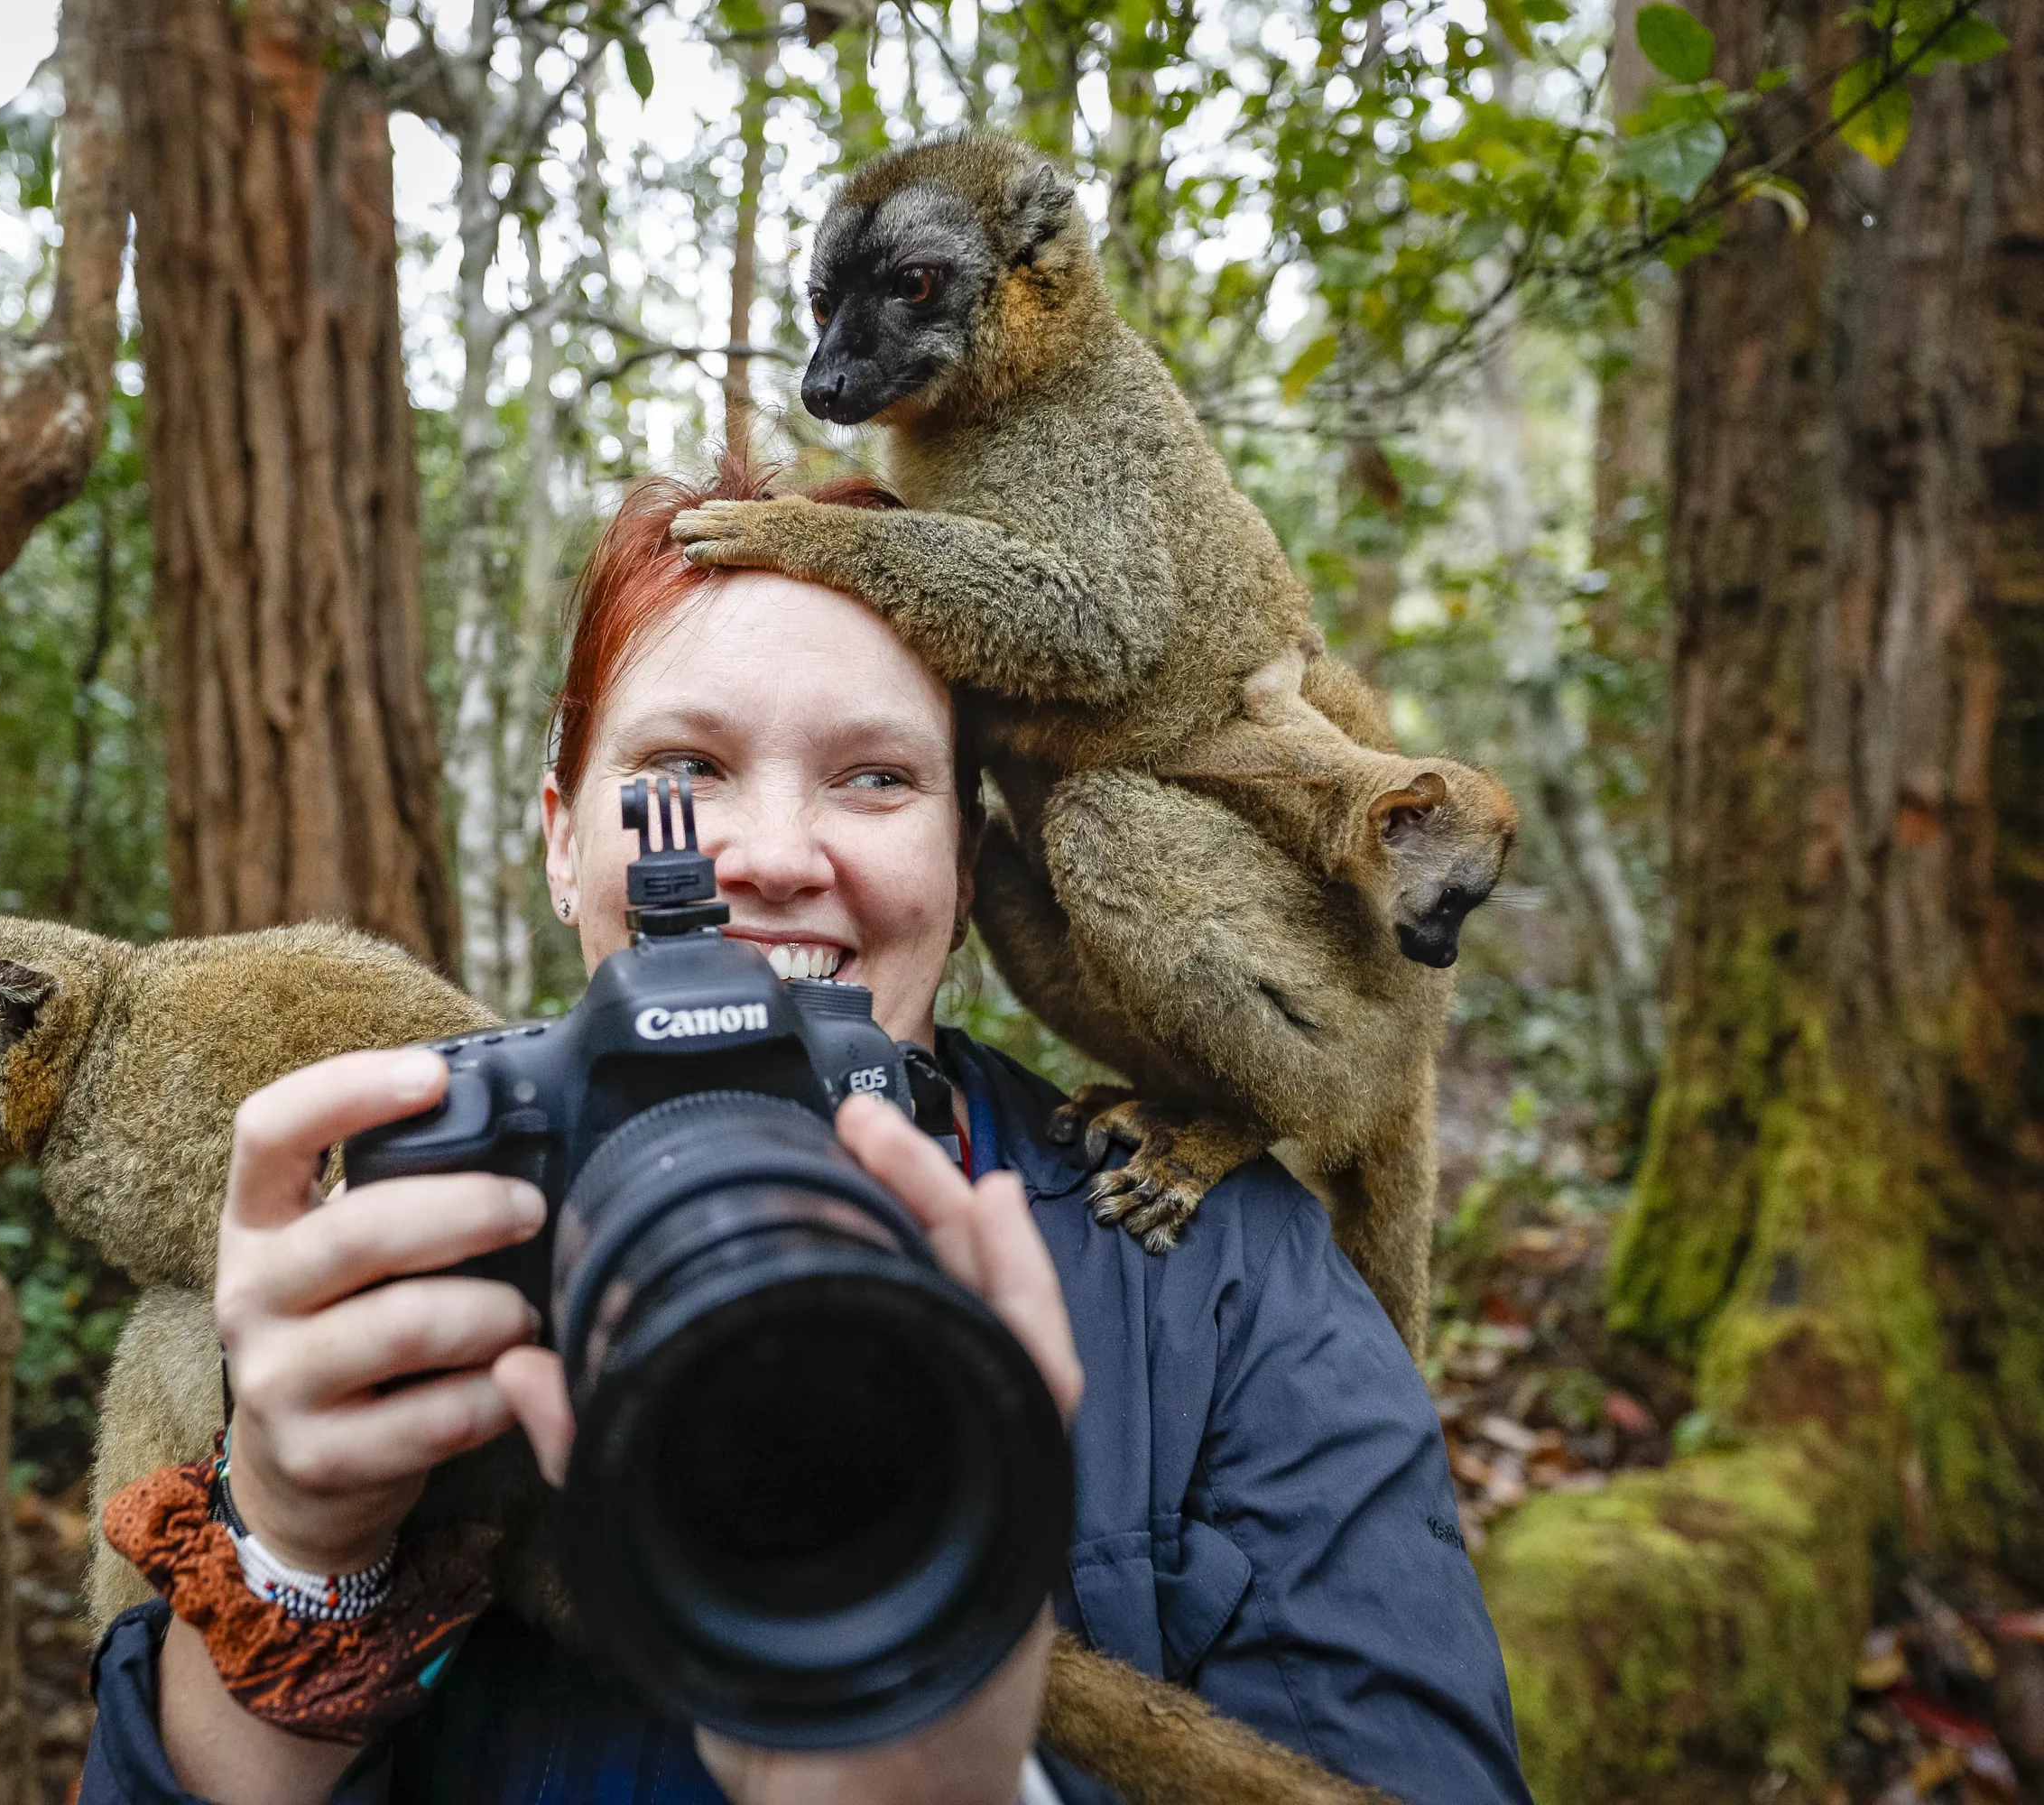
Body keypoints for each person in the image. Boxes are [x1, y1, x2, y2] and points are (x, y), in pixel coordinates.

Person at [77, 464, 1534, 1805]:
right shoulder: (408, 1224)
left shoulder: (1219, 1276)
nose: (772, 857)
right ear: (561, 838)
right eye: (681, 773)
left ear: (968, 867)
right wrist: (294, 1559)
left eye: (876, 777)